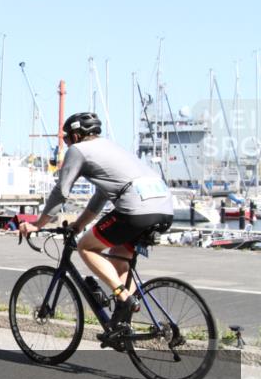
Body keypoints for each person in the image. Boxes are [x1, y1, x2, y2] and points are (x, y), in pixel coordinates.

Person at [19, 112, 173, 345]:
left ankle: (123, 295)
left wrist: (37, 224)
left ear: (77, 135)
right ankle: (122, 325)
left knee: (86, 247)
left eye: (67, 139)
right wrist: (79, 224)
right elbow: (100, 197)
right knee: (119, 257)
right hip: (164, 208)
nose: (66, 144)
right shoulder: (110, 149)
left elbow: (61, 191)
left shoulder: (78, 150)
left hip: (136, 210)